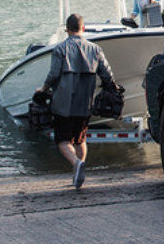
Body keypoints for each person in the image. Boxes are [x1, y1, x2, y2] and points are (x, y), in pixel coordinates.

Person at [36, 13, 116, 189]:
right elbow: (107, 74)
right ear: (83, 28)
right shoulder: (95, 49)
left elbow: (54, 74)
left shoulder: (60, 49)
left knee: (63, 141)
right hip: (85, 102)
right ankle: (80, 170)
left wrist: (43, 89)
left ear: (67, 30)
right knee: (80, 139)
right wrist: (113, 89)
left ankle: (76, 164)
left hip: (63, 104)